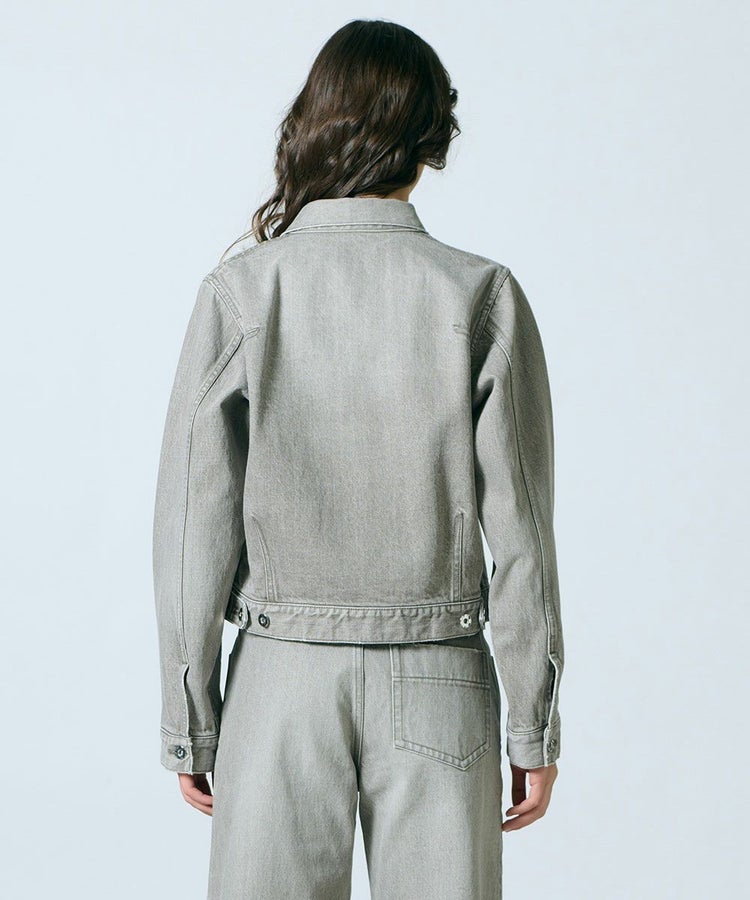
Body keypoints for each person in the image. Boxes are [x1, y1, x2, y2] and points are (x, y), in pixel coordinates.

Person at [152, 17, 564, 899]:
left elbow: (193, 525)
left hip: (280, 679)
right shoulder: (480, 293)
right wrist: (531, 724)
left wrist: (190, 720)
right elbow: (524, 534)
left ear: (315, 124)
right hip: (442, 677)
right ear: (431, 141)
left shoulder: (242, 292)